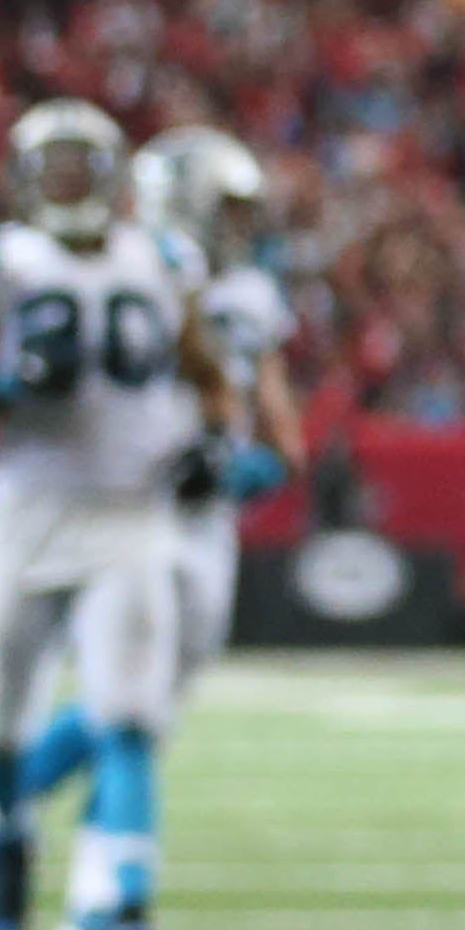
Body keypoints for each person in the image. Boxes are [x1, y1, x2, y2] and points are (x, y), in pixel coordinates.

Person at [0, 101, 237, 930]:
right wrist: (4, 388)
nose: (67, 183)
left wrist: (213, 443)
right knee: (3, 725)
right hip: (28, 511)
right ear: (25, 180)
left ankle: (121, 901)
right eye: (53, 167)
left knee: (129, 714)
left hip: (131, 514)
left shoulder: (162, 260)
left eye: (81, 166)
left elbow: (211, 377)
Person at [134, 129, 305, 719]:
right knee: (129, 660)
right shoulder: (134, 272)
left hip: (210, 490)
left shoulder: (251, 289)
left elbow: (270, 387)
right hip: (137, 485)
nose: (240, 224)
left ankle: (89, 767)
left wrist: (280, 455)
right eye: (227, 208)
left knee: (190, 653)